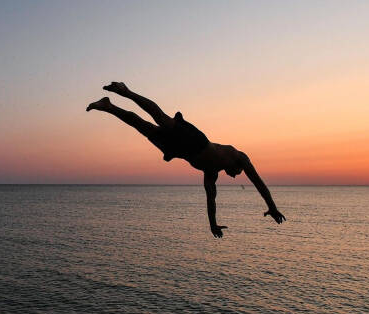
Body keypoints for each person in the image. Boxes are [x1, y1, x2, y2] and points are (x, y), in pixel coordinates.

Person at [87, 82, 285, 237]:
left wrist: (212, 224)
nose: (235, 177)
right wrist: (273, 207)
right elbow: (258, 183)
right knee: (159, 117)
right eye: (238, 173)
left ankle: (108, 106)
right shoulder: (238, 156)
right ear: (238, 166)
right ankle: (125, 91)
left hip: (179, 150)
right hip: (195, 140)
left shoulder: (211, 174)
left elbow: (211, 200)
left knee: (142, 126)